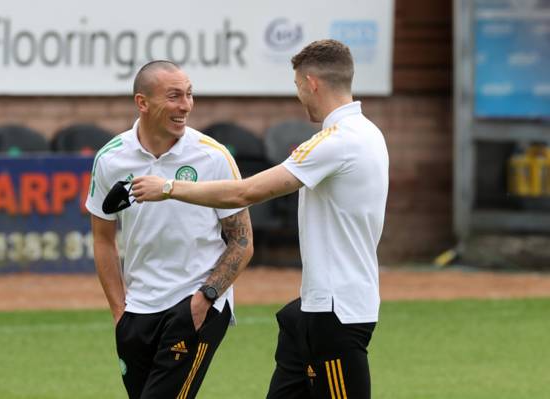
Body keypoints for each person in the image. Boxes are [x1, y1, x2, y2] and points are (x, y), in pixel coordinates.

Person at [130, 39, 389, 399]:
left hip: (337, 312)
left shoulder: (336, 141)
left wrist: (169, 188)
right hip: (314, 309)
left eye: (298, 86)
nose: (299, 96)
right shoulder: (369, 133)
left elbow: (244, 193)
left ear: (312, 83)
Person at [85, 60, 254, 399]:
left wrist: (204, 299)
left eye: (189, 95)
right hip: (137, 310)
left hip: (194, 305)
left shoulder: (213, 157)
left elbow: (242, 242)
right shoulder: (110, 159)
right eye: (174, 96)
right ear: (142, 103)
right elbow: (103, 241)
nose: (185, 106)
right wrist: (120, 312)